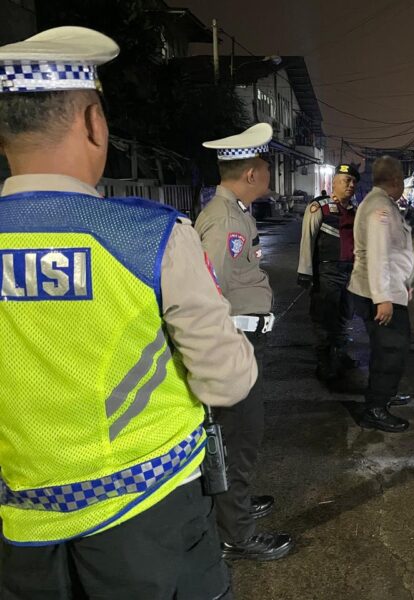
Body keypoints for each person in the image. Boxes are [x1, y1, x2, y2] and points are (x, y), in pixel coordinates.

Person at [0, 27, 256, 598]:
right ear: (93, 122)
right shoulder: (147, 236)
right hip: (149, 517)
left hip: (18, 522)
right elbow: (227, 380)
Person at [195, 124, 293, 561]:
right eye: (266, 166)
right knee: (240, 436)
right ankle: (236, 532)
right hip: (234, 344)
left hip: (244, 342)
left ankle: (235, 507)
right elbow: (207, 291)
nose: (269, 173)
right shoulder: (224, 220)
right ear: (252, 172)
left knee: (240, 434)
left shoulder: (235, 212)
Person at [348, 156, 414, 433]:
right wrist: (383, 297)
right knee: (390, 350)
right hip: (380, 293)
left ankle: (384, 393)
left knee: (388, 349)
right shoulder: (380, 208)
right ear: (396, 180)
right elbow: (378, 255)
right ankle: (375, 408)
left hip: (386, 289)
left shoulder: (381, 204)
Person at [297, 163, 360, 383]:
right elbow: (308, 240)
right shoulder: (319, 207)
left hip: (350, 272)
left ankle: (340, 355)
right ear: (334, 183)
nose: (350, 185)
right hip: (326, 271)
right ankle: (324, 363)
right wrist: (305, 272)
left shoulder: (355, 209)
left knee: (344, 315)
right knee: (325, 317)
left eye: (353, 181)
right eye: (346, 181)